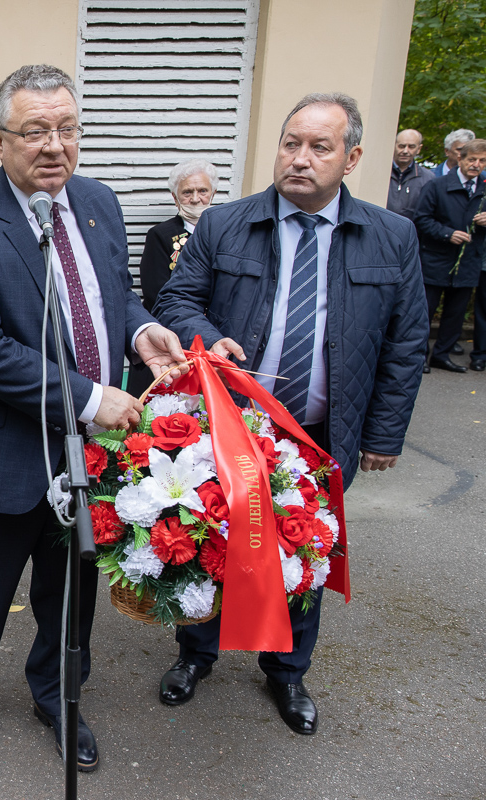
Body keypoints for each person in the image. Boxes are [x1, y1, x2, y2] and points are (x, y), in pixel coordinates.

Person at [0, 64, 186, 780]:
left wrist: (142, 333)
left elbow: (112, 298)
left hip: (88, 453)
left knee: (71, 589)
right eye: (34, 130)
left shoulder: (97, 202)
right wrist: (90, 397)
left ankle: (58, 698)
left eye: (67, 128)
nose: (54, 146)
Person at [154, 92, 427, 735]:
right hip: (228, 428)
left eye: (319, 148)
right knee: (211, 543)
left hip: (323, 437)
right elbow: (176, 299)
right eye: (290, 143)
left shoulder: (393, 236)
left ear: (353, 157)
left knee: (304, 554)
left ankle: (287, 671)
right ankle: (197, 653)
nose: (299, 160)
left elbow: (406, 343)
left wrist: (384, 434)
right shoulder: (224, 224)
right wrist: (204, 335)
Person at [129, 159, 218, 392]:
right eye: (187, 192)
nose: (196, 198)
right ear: (175, 197)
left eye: (203, 191)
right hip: (171, 336)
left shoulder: (227, 233)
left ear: (214, 193)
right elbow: (155, 292)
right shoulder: (160, 235)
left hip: (215, 338)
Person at [414, 138, 486, 372]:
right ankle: (419, 357)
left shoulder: (484, 189)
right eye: (472, 159)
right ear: (460, 159)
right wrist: (447, 234)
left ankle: (441, 355)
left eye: (482, 161)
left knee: (454, 315)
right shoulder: (437, 185)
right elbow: (421, 219)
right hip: (436, 259)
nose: (476, 164)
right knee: (425, 312)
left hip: (468, 262)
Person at [387, 129, 434, 221]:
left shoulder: (428, 178)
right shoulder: (381, 173)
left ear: (419, 149)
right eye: (401, 146)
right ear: (394, 145)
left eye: (411, 147)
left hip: (410, 232)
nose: (405, 151)